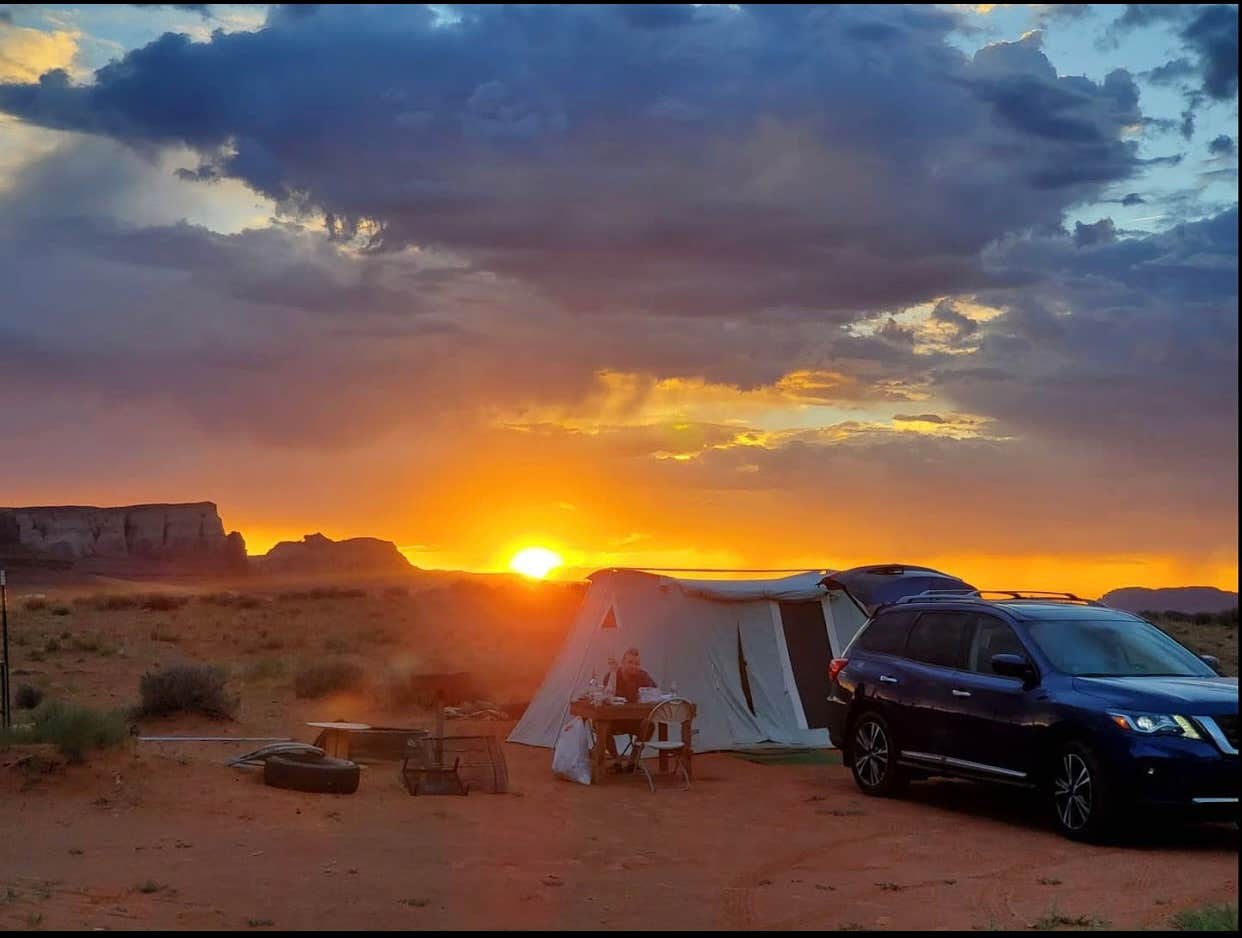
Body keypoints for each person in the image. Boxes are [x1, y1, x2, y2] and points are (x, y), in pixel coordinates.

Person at [602, 647, 657, 764]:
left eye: (636, 663)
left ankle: (633, 759)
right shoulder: (612, 675)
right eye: (630, 662)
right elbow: (607, 694)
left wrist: (647, 695)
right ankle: (616, 760)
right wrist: (613, 673)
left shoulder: (643, 675)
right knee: (601, 727)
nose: (633, 666)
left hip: (634, 721)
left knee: (649, 725)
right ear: (622, 663)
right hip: (614, 721)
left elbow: (654, 691)